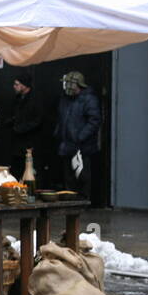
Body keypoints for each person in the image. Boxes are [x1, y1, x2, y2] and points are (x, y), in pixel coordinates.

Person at [56, 70, 101, 202]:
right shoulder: (65, 98)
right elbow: (62, 117)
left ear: (79, 85)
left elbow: (94, 121)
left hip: (82, 145)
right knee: (68, 175)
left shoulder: (89, 99)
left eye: (72, 84)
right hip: (67, 143)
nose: (69, 87)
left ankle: (83, 201)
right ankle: (71, 200)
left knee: (82, 175)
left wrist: (80, 137)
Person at [7, 72, 44, 179]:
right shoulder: (17, 99)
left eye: (16, 84)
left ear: (24, 85)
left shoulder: (36, 99)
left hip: (31, 143)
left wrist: (21, 128)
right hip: (17, 144)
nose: (14, 86)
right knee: (16, 170)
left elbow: (38, 120)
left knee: (31, 172)